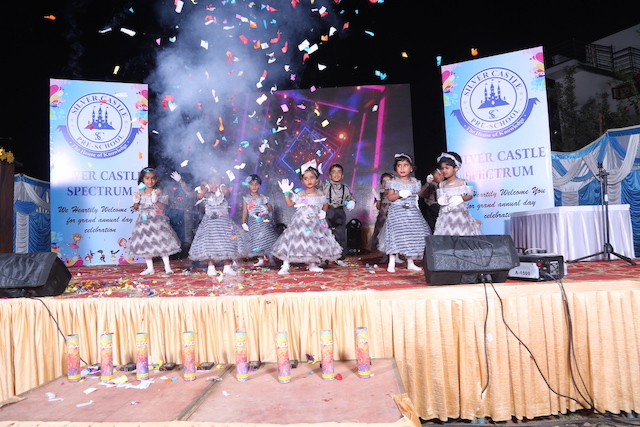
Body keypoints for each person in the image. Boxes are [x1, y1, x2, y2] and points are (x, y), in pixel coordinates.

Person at [271, 162, 343, 275]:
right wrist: (286, 193)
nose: (309, 180)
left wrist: (323, 212)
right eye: (306, 178)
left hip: (315, 222)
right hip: (301, 222)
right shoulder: (301, 193)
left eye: (312, 178)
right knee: (294, 241)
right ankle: (285, 264)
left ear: (316, 179)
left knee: (313, 242)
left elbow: (325, 203)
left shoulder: (320, 193)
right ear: (302, 181)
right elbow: (289, 204)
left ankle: (312, 264)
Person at [378, 153, 431, 273]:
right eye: (399, 165)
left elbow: (417, 195)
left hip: (411, 212)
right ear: (395, 168)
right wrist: (399, 194)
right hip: (397, 212)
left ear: (411, 168)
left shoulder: (414, 181)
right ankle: (391, 262)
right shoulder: (393, 181)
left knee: (411, 236)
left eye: (405, 165)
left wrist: (427, 184)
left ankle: (410, 262)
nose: (402, 168)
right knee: (395, 236)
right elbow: (390, 198)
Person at [128, 167, 182, 275]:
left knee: (162, 242)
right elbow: (136, 208)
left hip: (157, 221)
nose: (150, 181)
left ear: (156, 179)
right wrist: (136, 202)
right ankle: (150, 268)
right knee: (146, 242)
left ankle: (167, 267)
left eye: (153, 178)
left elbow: (163, 207)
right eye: (147, 178)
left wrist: (156, 201)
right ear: (142, 180)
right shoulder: (139, 192)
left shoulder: (158, 192)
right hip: (144, 221)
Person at [188, 174, 244, 276]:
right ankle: (211, 267)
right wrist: (207, 188)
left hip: (224, 223)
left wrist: (221, 185)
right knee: (210, 245)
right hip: (210, 224)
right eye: (211, 182)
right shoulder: (206, 194)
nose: (214, 185)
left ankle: (227, 267)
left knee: (228, 244)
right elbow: (199, 196)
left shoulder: (223, 193)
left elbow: (226, 192)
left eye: (216, 182)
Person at [433, 152, 482, 236]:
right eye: (442, 168)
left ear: (456, 168)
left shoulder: (461, 182)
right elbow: (439, 197)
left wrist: (461, 198)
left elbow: (469, 195)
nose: (444, 171)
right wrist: (441, 200)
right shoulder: (442, 184)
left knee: (462, 235)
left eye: (447, 168)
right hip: (445, 217)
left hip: (460, 215)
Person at [321, 164, 356, 266]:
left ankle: (340, 257)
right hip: (327, 211)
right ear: (330, 175)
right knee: (325, 235)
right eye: (334, 172)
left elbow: (351, 198)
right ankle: (324, 258)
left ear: (342, 175)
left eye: (339, 172)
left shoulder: (345, 189)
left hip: (340, 212)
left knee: (340, 235)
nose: (336, 174)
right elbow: (316, 184)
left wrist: (351, 202)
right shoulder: (325, 186)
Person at [241, 174, 278, 267]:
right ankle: (260, 259)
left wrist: (266, 209)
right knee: (257, 240)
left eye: (256, 184)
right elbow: (245, 211)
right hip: (253, 222)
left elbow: (270, 207)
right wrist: (243, 223)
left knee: (267, 239)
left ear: (259, 185)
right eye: (252, 184)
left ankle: (271, 258)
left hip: (263, 221)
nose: (254, 186)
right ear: (248, 186)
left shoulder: (262, 197)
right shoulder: (246, 198)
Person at [369, 173, 393, 261]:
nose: (386, 184)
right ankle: (384, 256)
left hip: (392, 219)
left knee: (393, 238)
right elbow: (378, 207)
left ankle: (396, 257)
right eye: (383, 181)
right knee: (383, 238)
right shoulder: (381, 194)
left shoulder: (395, 194)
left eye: (388, 181)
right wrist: (378, 199)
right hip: (382, 220)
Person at [418, 166, 444, 233]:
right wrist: (428, 183)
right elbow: (420, 193)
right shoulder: (430, 185)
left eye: (442, 174)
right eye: (439, 174)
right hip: (433, 211)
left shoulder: (445, 185)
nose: (442, 176)